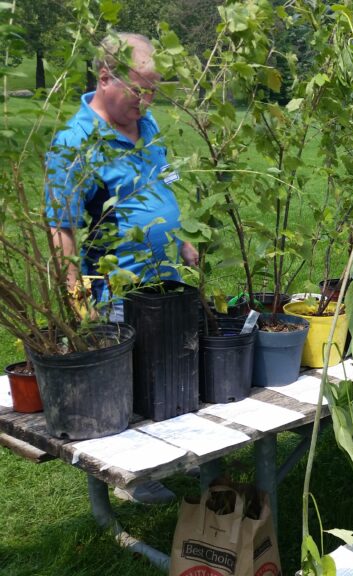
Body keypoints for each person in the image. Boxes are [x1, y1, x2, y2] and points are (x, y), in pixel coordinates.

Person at [45, 33, 197, 504]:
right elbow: (63, 230)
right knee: (124, 382)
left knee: (166, 371)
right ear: (105, 76)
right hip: (118, 289)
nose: (147, 100)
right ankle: (129, 479)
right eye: (140, 89)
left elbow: (165, 182)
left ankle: (167, 456)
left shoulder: (147, 125)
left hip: (166, 278)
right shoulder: (74, 142)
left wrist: (186, 236)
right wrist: (78, 303)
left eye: (154, 89)